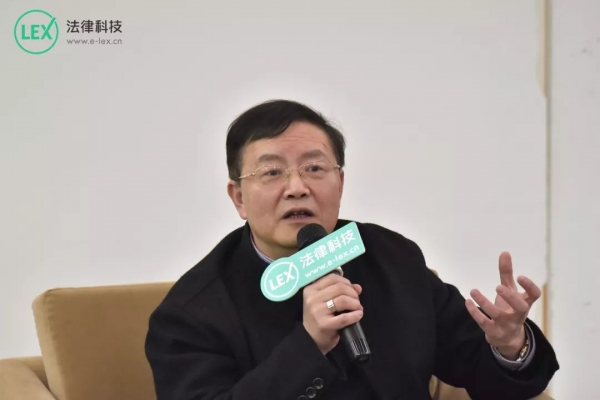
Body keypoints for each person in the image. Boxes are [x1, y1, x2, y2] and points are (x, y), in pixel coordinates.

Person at [145, 99, 559, 400]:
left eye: (315, 168)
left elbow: (486, 373)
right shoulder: (191, 313)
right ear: (238, 197)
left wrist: (510, 345)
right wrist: (309, 345)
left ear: (340, 184)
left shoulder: (392, 258)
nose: (297, 187)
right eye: (272, 172)